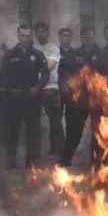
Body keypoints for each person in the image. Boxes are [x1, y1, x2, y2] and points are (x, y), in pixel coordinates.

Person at [0, 25, 49, 169]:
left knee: (33, 130)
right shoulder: (9, 55)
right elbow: (3, 75)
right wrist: (10, 90)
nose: (25, 39)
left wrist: (37, 88)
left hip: (31, 98)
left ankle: (31, 161)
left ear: (31, 37)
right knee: (12, 130)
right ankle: (11, 159)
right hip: (14, 99)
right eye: (22, 36)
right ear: (18, 36)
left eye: (27, 36)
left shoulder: (38, 54)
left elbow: (45, 74)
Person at [60, 27, 103, 167]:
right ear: (81, 39)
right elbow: (64, 70)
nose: (87, 40)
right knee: (74, 131)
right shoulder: (74, 54)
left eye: (89, 37)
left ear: (94, 37)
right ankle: (66, 159)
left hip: (98, 99)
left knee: (97, 131)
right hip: (80, 100)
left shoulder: (102, 53)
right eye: (84, 37)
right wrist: (68, 87)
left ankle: (96, 161)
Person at [34, 22, 63, 159]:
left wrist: (34, 66)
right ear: (35, 34)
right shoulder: (32, 48)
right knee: (34, 122)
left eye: (43, 31)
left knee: (55, 121)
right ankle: (35, 152)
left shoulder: (54, 48)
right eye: (38, 32)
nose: (41, 34)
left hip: (52, 88)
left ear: (47, 33)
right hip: (35, 89)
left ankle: (59, 150)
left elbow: (50, 66)